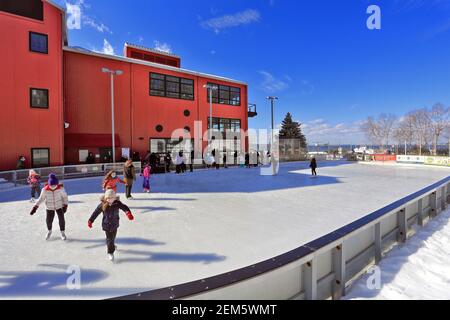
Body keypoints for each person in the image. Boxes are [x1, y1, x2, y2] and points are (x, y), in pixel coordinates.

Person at [88, 189, 134, 261]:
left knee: (113, 237)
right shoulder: (102, 205)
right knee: (109, 239)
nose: (110, 199)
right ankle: (110, 252)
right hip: (106, 225)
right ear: (106, 198)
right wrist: (91, 220)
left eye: (112, 198)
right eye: (108, 198)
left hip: (114, 224)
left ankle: (112, 245)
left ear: (115, 197)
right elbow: (96, 212)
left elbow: (124, 207)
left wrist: (128, 213)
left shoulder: (117, 203)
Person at [30, 173, 69, 241]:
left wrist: (65, 205)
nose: (53, 186)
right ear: (49, 184)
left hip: (59, 206)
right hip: (49, 207)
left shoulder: (60, 189)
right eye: (52, 185)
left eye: (54, 184)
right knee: (49, 220)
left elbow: (65, 197)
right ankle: (49, 231)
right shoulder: (45, 190)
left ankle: (62, 233)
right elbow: (41, 199)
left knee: (61, 219)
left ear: (56, 183)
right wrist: (35, 207)